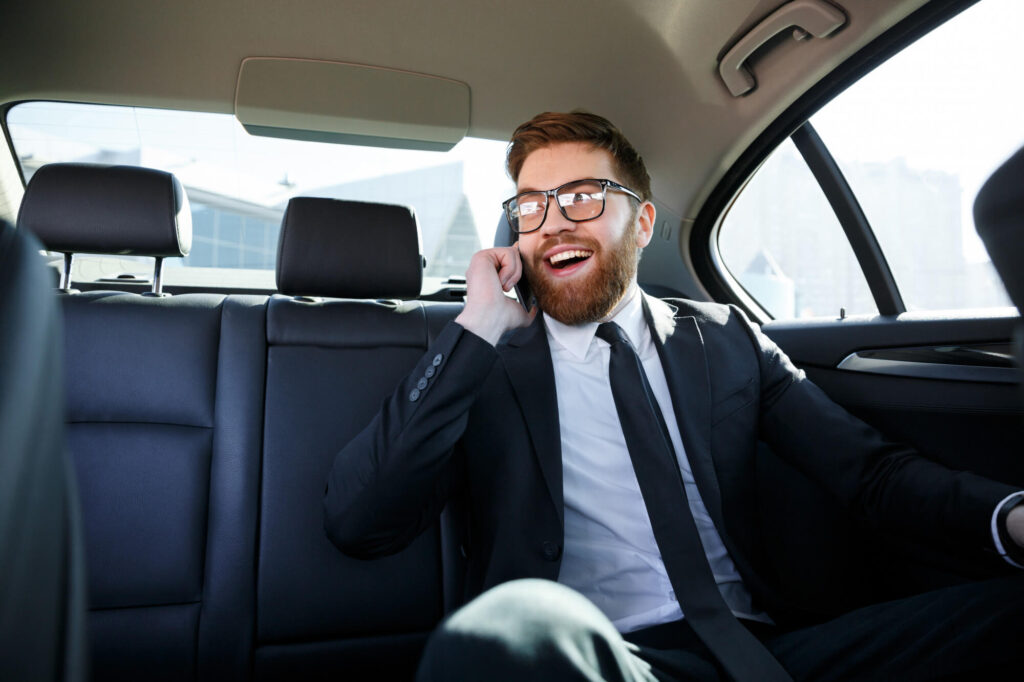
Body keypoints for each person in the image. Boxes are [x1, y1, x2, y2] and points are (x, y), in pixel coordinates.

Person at [324, 111, 1024, 681]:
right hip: (607, 661)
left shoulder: (724, 339)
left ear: (645, 223)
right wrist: (476, 326)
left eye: (583, 198)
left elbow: (870, 474)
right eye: (532, 207)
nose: (555, 222)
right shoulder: (482, 361)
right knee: (503, 643)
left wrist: (1013, 517)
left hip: (768, 652)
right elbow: (360, 520)